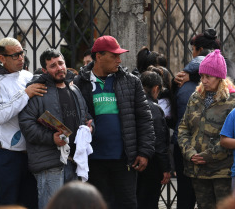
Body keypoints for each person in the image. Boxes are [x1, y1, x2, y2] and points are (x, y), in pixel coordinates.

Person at [73, 35, 155, 209]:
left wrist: (145, 151)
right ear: (99, 56)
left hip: (124, 160)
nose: (119, 60)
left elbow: (144, 118)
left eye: (120, 56)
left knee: (127, 204)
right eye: (114, 56)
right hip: (93, 161)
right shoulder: (79, 84)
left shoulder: (131, 82)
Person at [18, 48, 93, 209]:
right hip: (49, 164)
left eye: (61, 63)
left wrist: (90, 125)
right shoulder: (38, 90)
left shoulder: (74, 89)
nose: (59, 68)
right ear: (44, 70)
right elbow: (26, 124)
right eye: (53, 66)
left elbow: (85, 114)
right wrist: (51, 138)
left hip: (73, 161)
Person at [0, 37, 46, 207]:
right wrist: (25, 94)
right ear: (2, 58)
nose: (21, 58)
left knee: (31, 202)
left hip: (31, 151)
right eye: (15, 55)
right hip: (7, 154)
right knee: (9, 203)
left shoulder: (27, 75)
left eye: (22, 53)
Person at [178, 49, 235, 209]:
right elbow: (183, 128)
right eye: (202, 76)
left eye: (208, 77)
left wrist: (209, 155)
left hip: (222, 170)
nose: (203, 80)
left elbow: (230, 136)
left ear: (219, 78)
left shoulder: (232, 101)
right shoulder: (195, 98)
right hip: (197, 170)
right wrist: (190, 153)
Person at [137, 69, 171, 209]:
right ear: (156, 88)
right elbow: (159, 141)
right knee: (149, 202)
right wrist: (165, 168)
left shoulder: (131, 102)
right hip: (151, 164)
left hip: (132, 161)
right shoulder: (154, 108)